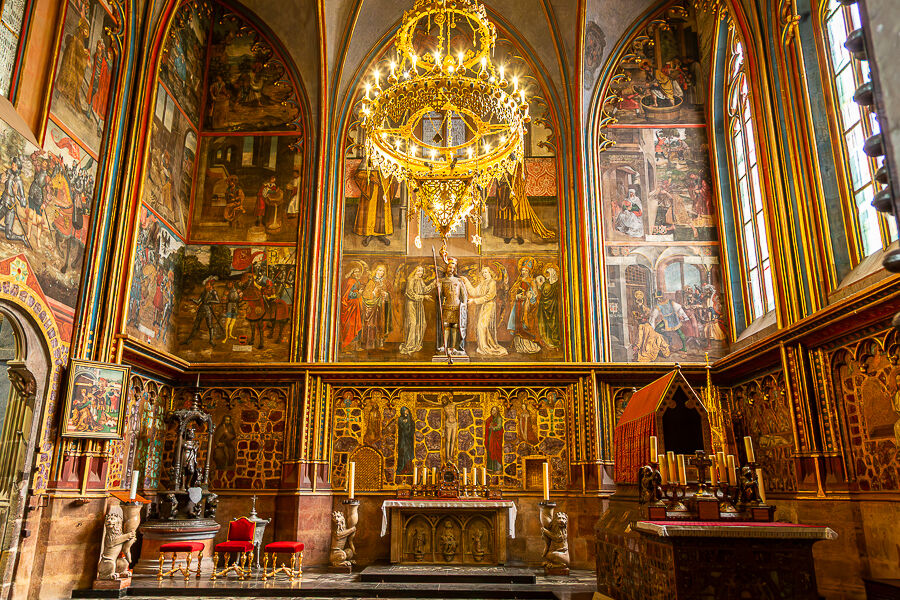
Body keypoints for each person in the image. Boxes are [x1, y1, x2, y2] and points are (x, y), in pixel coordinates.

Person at [465, 266, 508, 357]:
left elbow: (490, 296)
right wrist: (466, 281)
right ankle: (483, 346)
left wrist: (474, 301)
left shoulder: (492, 282)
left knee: (482, 326)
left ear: (490, 273)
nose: (484, 274)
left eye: (486, 272)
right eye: (483, 272)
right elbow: (474, 292)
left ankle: (485, 346)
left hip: (488, 306)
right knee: (481, 326)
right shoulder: (483, 283)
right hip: (482, 306)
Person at [352, 165, 395, 246]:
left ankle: (381, 234)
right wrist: (370, 177)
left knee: (383, 210)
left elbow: (394, 172)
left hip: (385, 185)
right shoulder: (369, 156)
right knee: (370, 210)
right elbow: (358, 174)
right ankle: (369, 233)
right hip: (371, 188)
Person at [399, 265, 436, 355]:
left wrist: (433, 284)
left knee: (422, 323)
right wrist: (423, 297)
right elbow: (410, 293)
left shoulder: (420, 280)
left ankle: (416, 344)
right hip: (411, 304)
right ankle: (409, 345)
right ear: (415, 271)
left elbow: (424, 290)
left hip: (419, 304)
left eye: (422, 271)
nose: (421, 273)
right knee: (413, 323)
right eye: (419, 271)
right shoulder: (411, 280)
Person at [436, 257, 468, 356]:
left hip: (457, 306)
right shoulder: (442, 281)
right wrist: (438, 287)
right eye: (450, 267)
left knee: (455, 327)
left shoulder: (459, 281)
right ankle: (445, 346)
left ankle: (453, 347)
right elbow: (439, 296)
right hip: (447, 305)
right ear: (447, 268)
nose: (451, 270)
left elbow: (464, 295)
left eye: (453, 268)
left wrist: (464, 306)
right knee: (446, 327)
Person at [183, 277, 222, 347]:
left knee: (210, 326)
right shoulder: (204, 292)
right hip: (201, 309)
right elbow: (198, 302)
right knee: (196, 325)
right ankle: (189, 340)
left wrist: (210, 301)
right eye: (206, 285)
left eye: (208, 285)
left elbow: (218, 301)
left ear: (211, 285)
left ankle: (211, 340)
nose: (206, 286)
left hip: (208, 310)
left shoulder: (213, 292)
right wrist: (192, 300)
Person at [361, 265, 391, 350]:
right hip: (373, 308)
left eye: (383, 271)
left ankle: (380, 343)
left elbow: (389, 293)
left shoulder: (385, 282)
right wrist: (374, 293)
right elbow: (366, 295)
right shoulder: (371, 282)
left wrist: (386, 294)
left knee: (381, 324)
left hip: (382, 306)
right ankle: (371, 344)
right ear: (376, 271)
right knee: (372, 325)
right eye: (379, 270)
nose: (381, 273)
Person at [0, 158, 28, 247]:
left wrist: (16, 194)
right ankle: (5, 228)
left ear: (18, 168)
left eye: (15, 165)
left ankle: (21, 238)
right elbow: (2, 178)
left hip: (10, 207)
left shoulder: (18, 181)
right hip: (2, 201)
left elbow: (23, 203)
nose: (13, 165)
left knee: (8, 235)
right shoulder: (8, 173)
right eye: (13, 164)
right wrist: (1, 178)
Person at [340, 266, 364, 351]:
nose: (357, 274)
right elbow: (347, 295)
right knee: (351, 327)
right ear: (351, 273)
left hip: (356, 307)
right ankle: (348, 347)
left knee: (357, 326)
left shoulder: (357, 281)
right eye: (355, 272)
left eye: (358, 272)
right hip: (351, 308)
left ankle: (356, 346)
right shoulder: (350, 282)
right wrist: (358, 294)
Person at [538, 266, 561, 349]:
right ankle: (547, 340)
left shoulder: (551, 284)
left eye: (548, 273)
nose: (546, 275)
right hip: (545, 307)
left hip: (553, 307)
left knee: (553, 323)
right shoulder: (548, 283)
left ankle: (554, 341)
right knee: (546, 324)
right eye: (546, 273)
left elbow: (545, 293)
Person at [396, 406, 415, 475]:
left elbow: (411, 429)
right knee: (403, 452)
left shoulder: (410, 420)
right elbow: (401, 429)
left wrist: (408, 422)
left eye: (407, 410)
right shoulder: (400, 419)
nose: (406, 412)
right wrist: (404, 424)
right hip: (402, 439)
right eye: (405, 411)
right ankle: (402, 468)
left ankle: (409, 468)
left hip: (409, 440)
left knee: (408, 454)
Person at [484, 405, 503, 472]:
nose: (493, 411)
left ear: (497, 411)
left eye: (494, 410)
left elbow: (499, 427)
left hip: (496, 438)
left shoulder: (499, 418)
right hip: (491, 437)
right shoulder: (490, 419)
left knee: (496, 451)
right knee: (490, 450)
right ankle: (490, 468)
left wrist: (493, 427)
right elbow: (488, 425)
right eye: (492, 410)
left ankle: (498, 468)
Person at [441, 393, 458, 464]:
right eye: (443, 401)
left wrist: (472, 398)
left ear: (447, 400)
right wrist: (424, 399)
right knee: (448, 440)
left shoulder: (453, 404)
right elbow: (433, 403)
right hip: (448, 423)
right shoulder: (444, 407)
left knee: (453, 440)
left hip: (454, 423)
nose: (444, 402)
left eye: (445, 400)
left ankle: (451, 456)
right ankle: (447, 457)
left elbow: (463, 402)